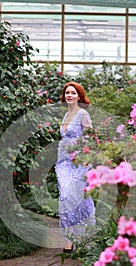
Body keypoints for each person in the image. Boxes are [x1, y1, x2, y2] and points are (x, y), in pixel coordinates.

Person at [55, 82, 95, 252]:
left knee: (79, 198)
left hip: (79, 161)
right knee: (64, 197)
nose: (69, 95)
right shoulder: (66, 116)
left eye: (73, 93)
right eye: (67, 93)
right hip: (63, 162)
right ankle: (69, 239)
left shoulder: (82, 114)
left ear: (79, 96)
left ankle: (84, 237)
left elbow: (91, 137)